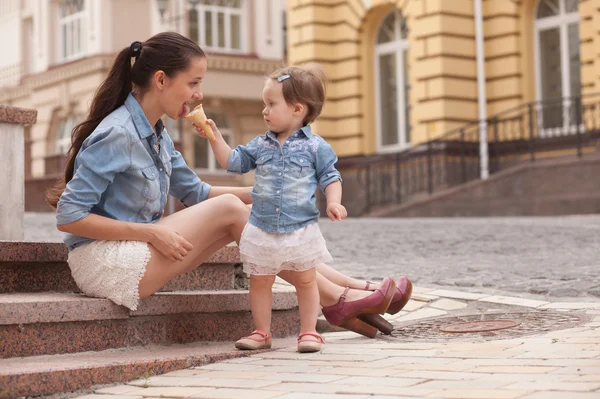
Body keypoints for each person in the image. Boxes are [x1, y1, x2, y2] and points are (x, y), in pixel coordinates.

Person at [46, 31, 412, 344]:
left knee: (251, 212)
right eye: (193, 83)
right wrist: (151, 233)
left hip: (137, 249)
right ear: (160, 80)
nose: (198, 95)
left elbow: (198, 193)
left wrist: (265, 191)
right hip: (102, 262)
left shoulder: (156, 134)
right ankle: (337, 300)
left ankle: (348, 289)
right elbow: (69, 217)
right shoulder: (117, 133)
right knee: (233, 212)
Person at [195, 65, 399, 352]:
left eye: (271, 104)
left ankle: (309, 331)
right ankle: (261, 332)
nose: (264, 111)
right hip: (263, 226)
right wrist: (214, 136)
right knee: (261, 282)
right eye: (264, 104)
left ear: (297, 109)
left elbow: (331, 177)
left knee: (305, 281)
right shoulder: (260, 144)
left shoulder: (316, 147)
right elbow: (233, 162)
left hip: (299, 227)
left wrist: (334, 201)